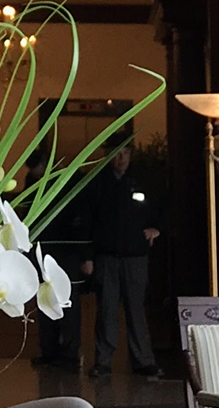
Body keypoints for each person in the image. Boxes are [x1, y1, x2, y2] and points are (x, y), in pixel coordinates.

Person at [84, 139, 160, 379]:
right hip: (107, 256)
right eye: (117, 153)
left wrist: (157, 228)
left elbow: (159, 208)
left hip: (135, 257)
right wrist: (88, 257)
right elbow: (89, 222)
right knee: (106, 311)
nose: (121, 159)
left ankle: (143, 361)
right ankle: (103, 361)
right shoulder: (99, 183)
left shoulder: (142, 180)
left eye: (125, 153)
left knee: (136, 310)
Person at [27, 152, 90, 368]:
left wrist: (84, 255)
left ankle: (70, 353)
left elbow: (80, 220)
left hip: (66, 251)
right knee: (45, 301)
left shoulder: (67, 181)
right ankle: (49, 351)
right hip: (44, 250)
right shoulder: (33, 182)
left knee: (67, 302)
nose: (34, 175)